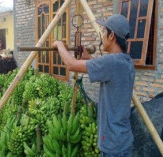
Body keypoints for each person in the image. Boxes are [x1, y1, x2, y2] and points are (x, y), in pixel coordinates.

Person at [53, 14, 134, 157]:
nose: (102, 35)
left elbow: (71, 65)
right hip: (124, 140)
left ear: (111, 36)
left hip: (112, 146)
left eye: (104, 31)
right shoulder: (127, 62)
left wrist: (59, 45)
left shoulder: (111, 62)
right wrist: (89, 59)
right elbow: (109, 72)